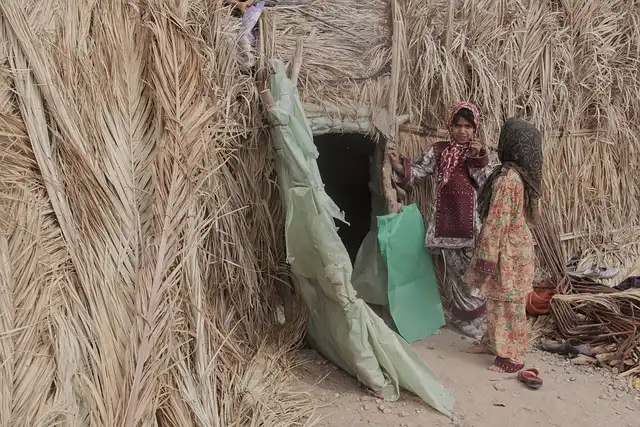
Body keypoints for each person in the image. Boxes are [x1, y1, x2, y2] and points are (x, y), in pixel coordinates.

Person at [388, 102, 493, 339]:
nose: (462, 131)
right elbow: (418, 172)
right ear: (450, 126)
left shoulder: (479, 154)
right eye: (457, 125)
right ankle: (462, 319)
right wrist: (397, 164)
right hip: (447, 225)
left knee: (473, 274)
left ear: (475, 128)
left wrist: (477, 159)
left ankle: (477, 318)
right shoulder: (439, 151)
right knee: (456, 275)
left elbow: (487, 184)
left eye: (468, 126)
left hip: (471, 227)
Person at [464, 118, 543, 373]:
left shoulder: (508, 178)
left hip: (506, 250)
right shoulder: (520, 175)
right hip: (517, 246)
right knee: (498, 299)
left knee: (507, 302)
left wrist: (487, 257)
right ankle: (491, 342)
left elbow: (496, 222)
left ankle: (513, 356)